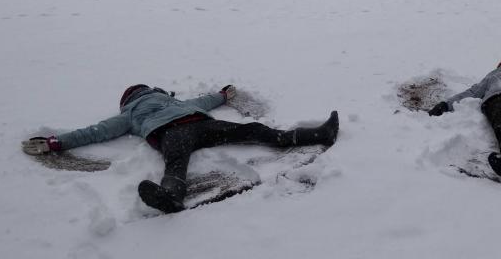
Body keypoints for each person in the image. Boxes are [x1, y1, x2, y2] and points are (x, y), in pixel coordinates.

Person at [22, 84, 339, 213]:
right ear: (148, 92)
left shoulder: (130, 114)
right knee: (254, 131)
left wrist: (56, 142)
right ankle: (311, 136)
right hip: (200, 124)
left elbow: (96, 132)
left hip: (174, 134)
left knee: (176, 164)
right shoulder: (163, 103)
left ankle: (172, 196)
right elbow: (202, 101)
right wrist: (222, 95)